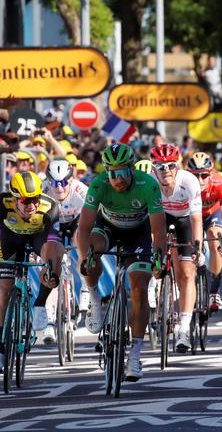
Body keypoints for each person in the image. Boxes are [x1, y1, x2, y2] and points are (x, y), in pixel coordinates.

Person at [77, 143, 166, 381]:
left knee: (138, 288)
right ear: (106, 172)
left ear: (132, 169)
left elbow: (158, 230)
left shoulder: (148, 185)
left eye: (123, 172)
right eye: (112, 173)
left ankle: (135, 355)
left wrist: (159, 258)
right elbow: (83, 228)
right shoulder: (99, 184)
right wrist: (85, 257)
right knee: (92, 251)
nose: (118, 179)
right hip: (108, 228)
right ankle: (94, 298)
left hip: (139, 233)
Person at [0, 171, 63, 368]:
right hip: (9, 240)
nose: (32, 206)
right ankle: (1, 344)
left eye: (35, 199)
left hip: (38, 238)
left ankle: (39, 304)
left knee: (55, 256)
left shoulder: (50, 206)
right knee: (3, 291)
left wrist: (48, 266)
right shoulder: (3, 203)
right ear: (15, 198)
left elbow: (52, 242)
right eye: (26, 201)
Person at [150, 144, 205, 353]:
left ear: (178, 167)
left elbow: (196, 220)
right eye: (160, 166)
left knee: (186, 272)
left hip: (184, 221)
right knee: (155, 259)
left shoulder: (189, 181)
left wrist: (197, 248)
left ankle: (183, 328)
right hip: (161, 218)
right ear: (154, 169)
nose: (166, 171)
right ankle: (157, 289)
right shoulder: (151, 183)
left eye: (170, 166)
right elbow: (148, 221)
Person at [38, 159, 89, 344]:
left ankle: (84, 286)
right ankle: (50, 322)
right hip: (54, 224)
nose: (58, 187)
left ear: (70, 179)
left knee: (80, 239)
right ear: (48, 181)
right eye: (54, 182)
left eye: (63, 182)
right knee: (51, 267)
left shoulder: (80, 190)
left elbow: (92, 217)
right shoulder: (41, 190)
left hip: (76, 222)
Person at [187, 152, 222, 311]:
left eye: (204, 175)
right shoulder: (184, 184)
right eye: (195, 176)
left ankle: (214, 290)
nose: (200, 180)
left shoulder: (220, 183)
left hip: (212, 215)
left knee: (215, 237)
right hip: (193, 216)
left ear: (211, 173)